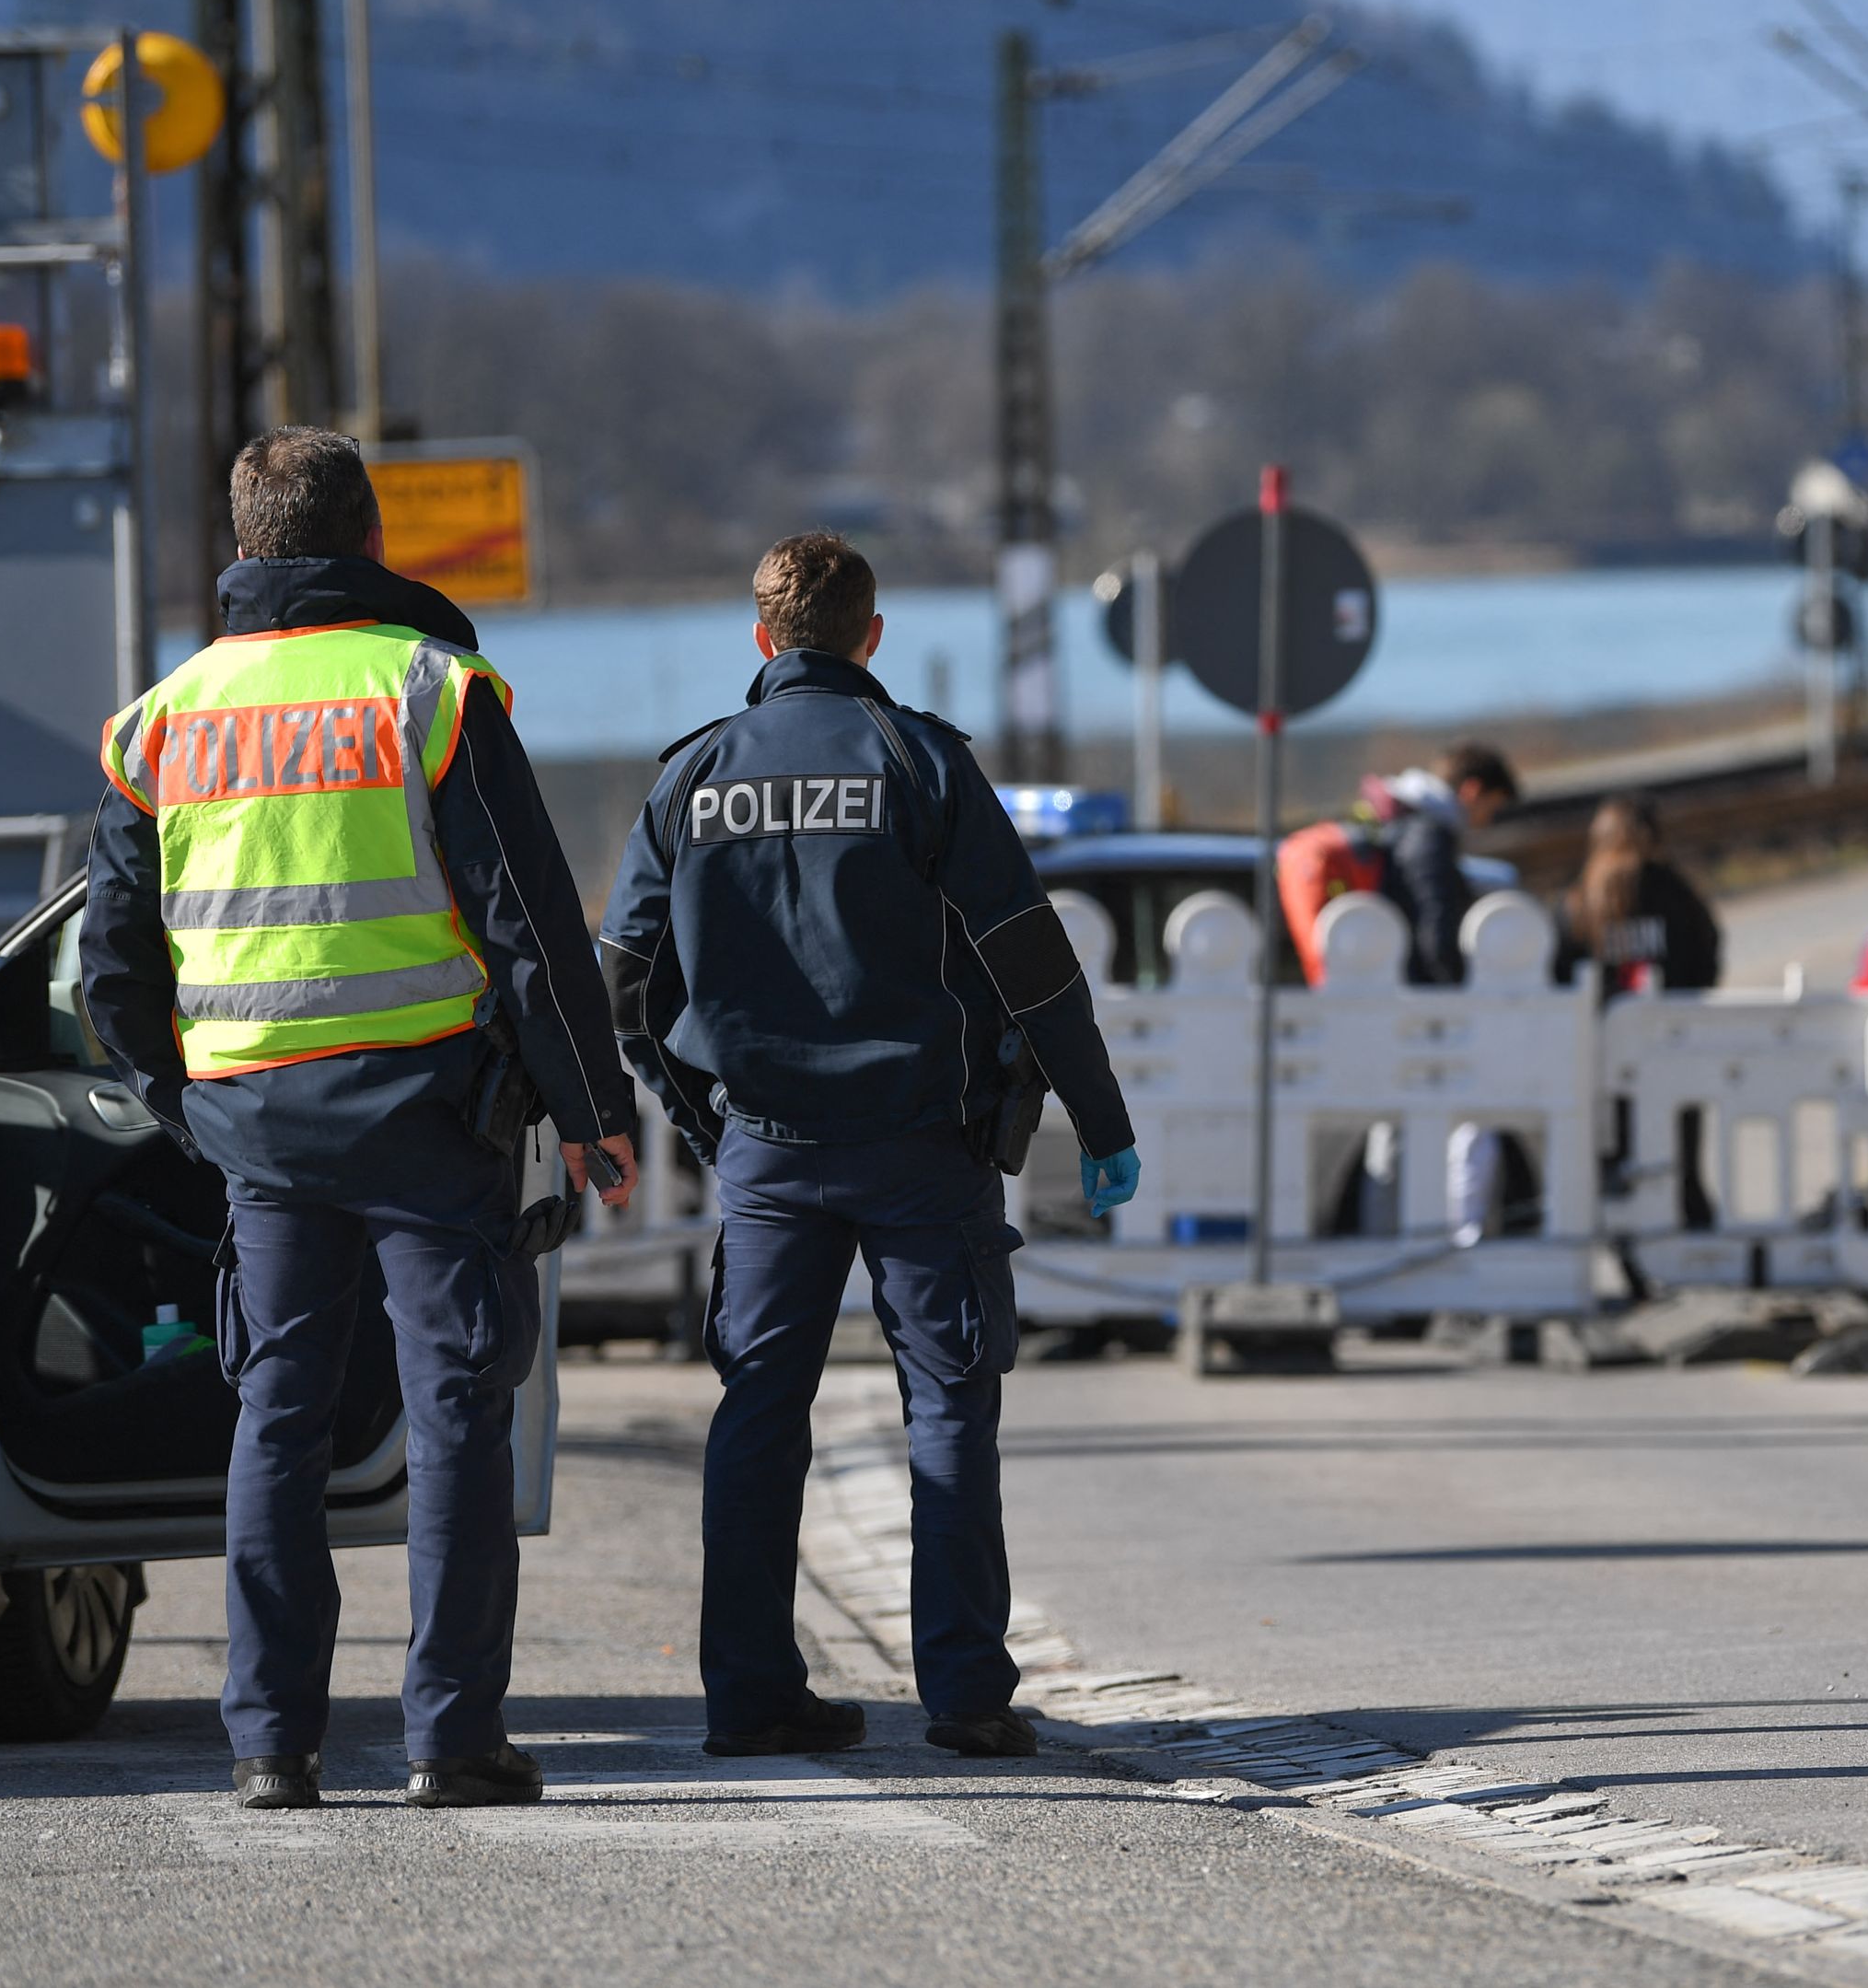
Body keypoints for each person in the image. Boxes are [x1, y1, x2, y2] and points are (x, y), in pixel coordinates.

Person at [81, 427, 638, 1816]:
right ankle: (453, 1735)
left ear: (245, 541)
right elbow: (528, 925)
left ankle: (272, 1740)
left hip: (259, 1128)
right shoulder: (429, 689)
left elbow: (109, 967)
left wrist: (192, 1106)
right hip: (423, 1113)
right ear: (371, 540)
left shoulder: (161, 721)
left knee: (277, 1411)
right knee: (455, 1408)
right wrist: (592, 1108)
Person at [598, 532, 1139, 1762]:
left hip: (767, 1153)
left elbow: (622, 983)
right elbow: (1032, 958)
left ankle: (747, 1692)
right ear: (872, 634)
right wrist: (1100, 1123)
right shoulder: (922, 759)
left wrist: (700, 1116)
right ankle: (965, 1693)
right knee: (948, 1408)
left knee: (755, 1418)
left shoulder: (692, 777)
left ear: (760, 638)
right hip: (921, 1148)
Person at [1376, 741, 1520, 986]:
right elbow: (1435, 925)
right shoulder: (1429, 838)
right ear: (1472, 791)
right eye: (1492, 807)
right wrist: (1456, 991)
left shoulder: (1408, 824)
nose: (1488, 820)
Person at [1553, 796, 1722, 995]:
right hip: (1671, 1020)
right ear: (1654, 837)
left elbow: (1559, 975)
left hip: (1599, 1025)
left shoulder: (1576, 902)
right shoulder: (1676, 892)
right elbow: (1706, 956)